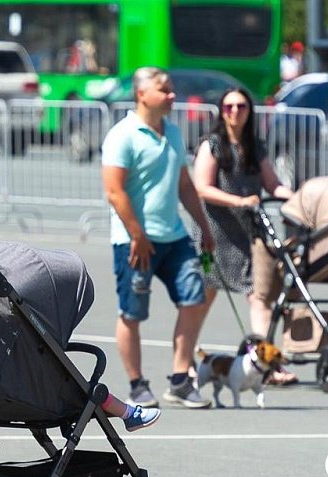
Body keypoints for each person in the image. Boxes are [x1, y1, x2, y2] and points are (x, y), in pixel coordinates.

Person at [101, 66, 216, 410]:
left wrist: (205, 228)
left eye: (171, 88)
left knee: (194, 299)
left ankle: (181, 379)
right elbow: (114, 191)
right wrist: (137, 234)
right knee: (132, 313)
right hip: (134, 240)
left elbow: (184, 184)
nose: (171, 95)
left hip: (174, 237)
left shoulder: (173, 133)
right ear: (141, 94)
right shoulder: (123, 135)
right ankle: (137, 385)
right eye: (163, 89)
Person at [192, 88, 297, 385]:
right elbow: (202, 187)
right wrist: (239, 201)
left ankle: (265, 366)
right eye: (228, 107)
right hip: (215, 232)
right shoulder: (212, 145)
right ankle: (184, 363)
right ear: (221, 111)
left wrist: (295, 198)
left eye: (240, 106)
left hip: (249, 231)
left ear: (250, 110)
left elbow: (272, 183)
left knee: (259, 296)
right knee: (203, 296)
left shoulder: (255, 147)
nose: (235, 112)